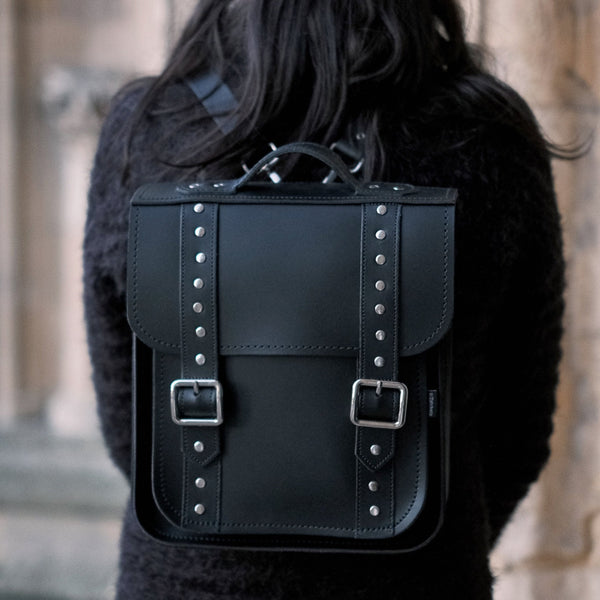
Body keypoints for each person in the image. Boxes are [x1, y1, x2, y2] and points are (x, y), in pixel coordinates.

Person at [84, 1, 565, 598]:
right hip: (418, 575)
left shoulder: (150, 126)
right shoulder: (487, 133)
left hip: (187, 577)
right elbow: (519, 424)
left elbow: (128, 415)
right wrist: (423, 521)